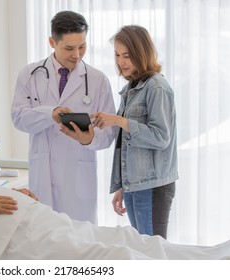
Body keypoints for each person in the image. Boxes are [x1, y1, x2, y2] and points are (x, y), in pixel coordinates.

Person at [0, 136, 230, 260]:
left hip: (36, 221)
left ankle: (218, 256)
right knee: (111, 255)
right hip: (17, 243)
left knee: (124, 237)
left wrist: (4, 195)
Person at [11, 10, 116, 224]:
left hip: (78, 179)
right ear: (52, 41)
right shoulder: (30, 74)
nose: (77, 54)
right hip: (43, 175)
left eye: (82, 46)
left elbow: (109, 131)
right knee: (44, 240)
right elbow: (18, 117)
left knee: (80, 243)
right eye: (69, 48)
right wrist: (50, 114)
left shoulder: (98, 80)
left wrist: (89, 138)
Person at [91, 25, 178, 239]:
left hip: (153, 185)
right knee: (142, 249)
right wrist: (123, 186)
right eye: (117, 55)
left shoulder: (156, 87)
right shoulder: (132, 88)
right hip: (135, 185)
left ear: (141, 53)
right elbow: (127, 145)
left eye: (127, 55)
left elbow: (161, 137)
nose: (121, 62)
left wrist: (119, 120)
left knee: (153, 253)